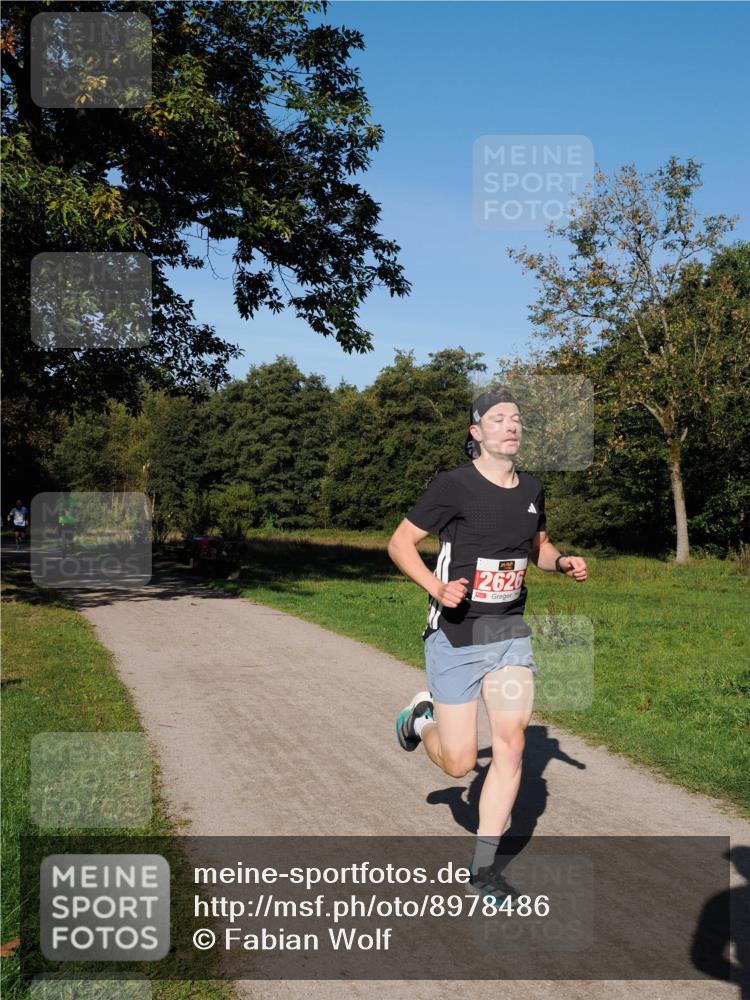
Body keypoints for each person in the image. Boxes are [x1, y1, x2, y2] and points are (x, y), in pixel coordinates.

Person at [388, 388, 588, 900]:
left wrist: (562, 563)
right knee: (458, 764)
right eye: (498, 419)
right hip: (456, 634)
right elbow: (400, 543)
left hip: (507, 632)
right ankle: (421, 718)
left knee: (514, 743)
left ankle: (483, 869)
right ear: (476, 433)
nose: (510, 425)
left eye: (517, 418)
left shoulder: (534, 488)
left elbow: (537, 549)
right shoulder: (452, 486)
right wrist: (436, 587)